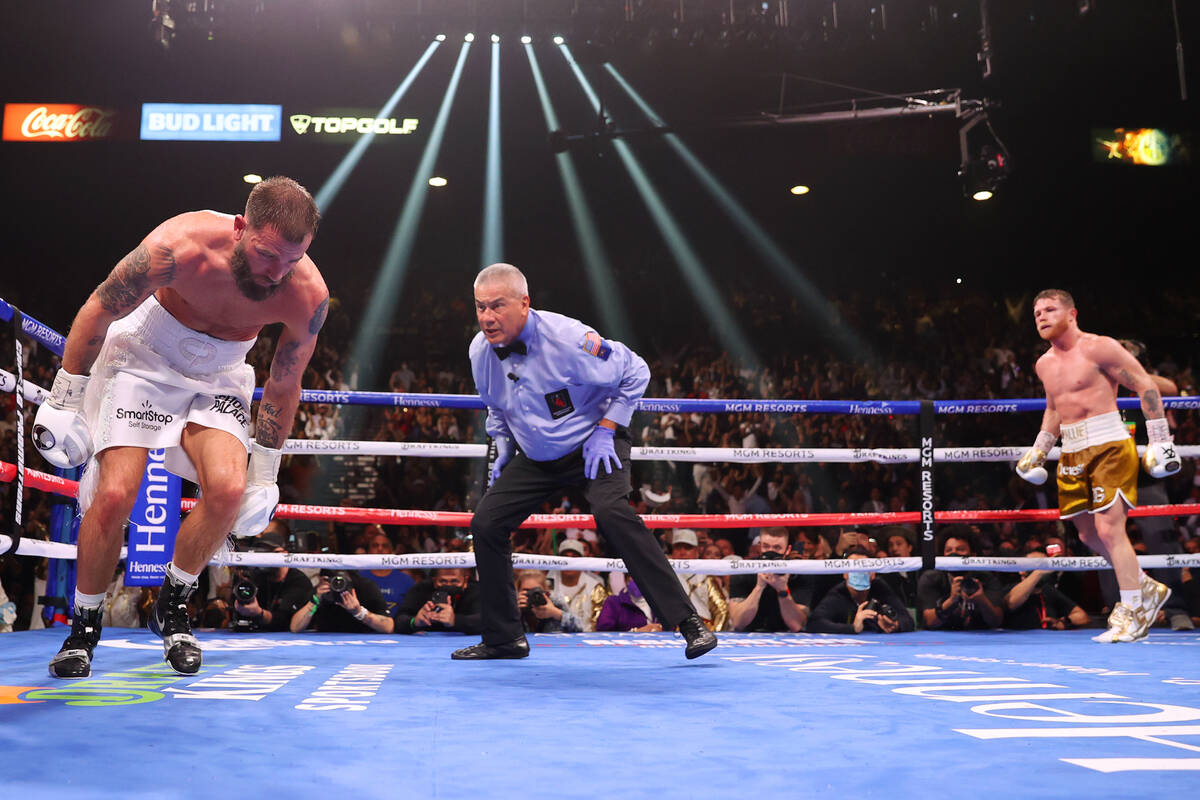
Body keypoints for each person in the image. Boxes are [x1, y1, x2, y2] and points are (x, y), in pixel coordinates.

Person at [35, 176, 328, 678]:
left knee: (231, 489)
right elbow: (98, 309)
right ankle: (83, 627)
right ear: (241, 228)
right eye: (267, 254)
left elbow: (284, 383)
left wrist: (267, 469)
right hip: (142, 357)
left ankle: (172, 607)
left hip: (220, 373)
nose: (276, 272)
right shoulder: (177, 247)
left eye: (292, 259)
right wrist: (67, 395)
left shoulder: (307, 295)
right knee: (115, 493)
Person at [457, 263, 716, 660]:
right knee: (486, 523)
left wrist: (607, 428)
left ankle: (688, 623)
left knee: (612, 512)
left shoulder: (569, 338)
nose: (487, 318)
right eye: (480, 307)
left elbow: (637, 371)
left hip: (596, 443)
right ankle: (504, 638)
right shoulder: (480, 351)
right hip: (538, 455)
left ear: (525, 304)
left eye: (497, 306)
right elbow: (496, 405)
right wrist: (502, 443)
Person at [1015, 289, 1179, 642]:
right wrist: (1040, 449)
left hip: (1109, 444)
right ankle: (1145, 587)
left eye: (1049, 309)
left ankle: (1133, 611)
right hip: (1072, 450)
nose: (1041, 317)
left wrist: (1161, 440)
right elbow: (1055, 409)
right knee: (1086, 532)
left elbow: (1145, 384)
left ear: (1072, 313)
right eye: (1037, 313)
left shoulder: (1098, 347)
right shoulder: (1044, 364)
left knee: (1108, 529)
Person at [807, 545, 914, 634]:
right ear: (845, 574)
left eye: (862, 569)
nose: (858, 573)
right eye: (853, 568)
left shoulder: (879, 588)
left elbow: (908, 620)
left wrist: (895, 625)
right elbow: (815, 623)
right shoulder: (838, 594)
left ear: (872, 574)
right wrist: (852, 628)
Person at [918, 527, 1005, 631]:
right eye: (949, 550)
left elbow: (996, 621)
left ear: (973, 555)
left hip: (979, 637)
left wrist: (982, 600)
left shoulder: (985, 578)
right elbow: (929, 621)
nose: (953, 554)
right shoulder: (931, 578)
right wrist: (951, 601)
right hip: (941, 639)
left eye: (960, 549)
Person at [727, 527, 812, 633]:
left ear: (788, 550)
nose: (770, 552)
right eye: (766, 547)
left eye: (777, 548)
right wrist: (759, 587)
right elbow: (738, 623)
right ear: (760, 546)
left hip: (787, 637)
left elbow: (796, 625)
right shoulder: (743, 571)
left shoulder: (799, 573)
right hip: (749, 636)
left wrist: (783, 590)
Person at [1001, 549, 1090, 630]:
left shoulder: (1048, 590)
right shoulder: (1011, 589)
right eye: (1036, 564)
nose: (1045, 569)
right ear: (1022, 570)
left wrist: (1063, 621)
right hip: (1018, 643)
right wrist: (1038, 572)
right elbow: (1011, 604)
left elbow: (1082, 616)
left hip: (1048, 642)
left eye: (1045, 565)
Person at [289, 569, 392, 634]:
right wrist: (314, 602)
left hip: (363, 643)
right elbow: (295, 627)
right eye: (335, 581)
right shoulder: (321, 591)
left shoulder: (365, 587)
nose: (338, 584)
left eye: (342, 579)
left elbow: (388, 626)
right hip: (326, 646)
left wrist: (360, 612)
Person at [668, 529, 728, 631]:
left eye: (687, 548)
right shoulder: (664, 576)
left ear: (697, 552)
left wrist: (716, 635)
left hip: (703, 628)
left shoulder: (705, 577)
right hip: (670, 631)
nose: (682, 552)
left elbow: (721, 610)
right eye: (678, 548)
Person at [394, 568, 482, 636]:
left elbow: (488, 622)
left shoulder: (475, 591)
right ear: (435, 581)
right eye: (443, 581)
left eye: (454, 581)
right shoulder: (421, 589)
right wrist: (414, 621)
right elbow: (398, 621)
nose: (448, 585)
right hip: (426, 644)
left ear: (465, 581)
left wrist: (456, 620)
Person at [547, 537, 607, 632]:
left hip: (585, 639)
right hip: (554, 637)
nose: (569, 562)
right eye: (565, 557)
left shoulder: (595, 587)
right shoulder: (548, 584)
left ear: (582, 560)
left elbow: (598, 623)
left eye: (574, 557)